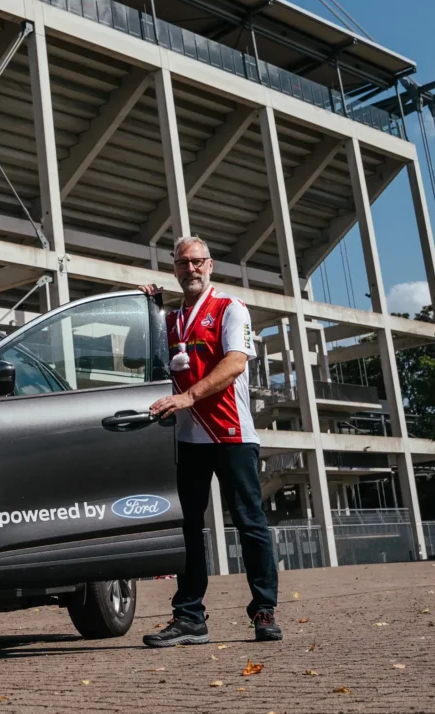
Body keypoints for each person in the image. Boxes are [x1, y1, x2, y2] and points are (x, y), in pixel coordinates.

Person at [138, 235, 281, 648]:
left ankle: (264, 610)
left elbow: (235, 362)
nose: (191, 269)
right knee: (187, 528)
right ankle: (189, 616)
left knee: (250, 523)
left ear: (211, 265)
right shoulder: (169, 319)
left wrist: (187, 397)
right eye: (183, 263)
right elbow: (151, 361)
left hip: (232, 433)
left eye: (197, 262)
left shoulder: (229, 308)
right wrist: (148, 309)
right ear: (175, 269)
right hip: (188, 438)